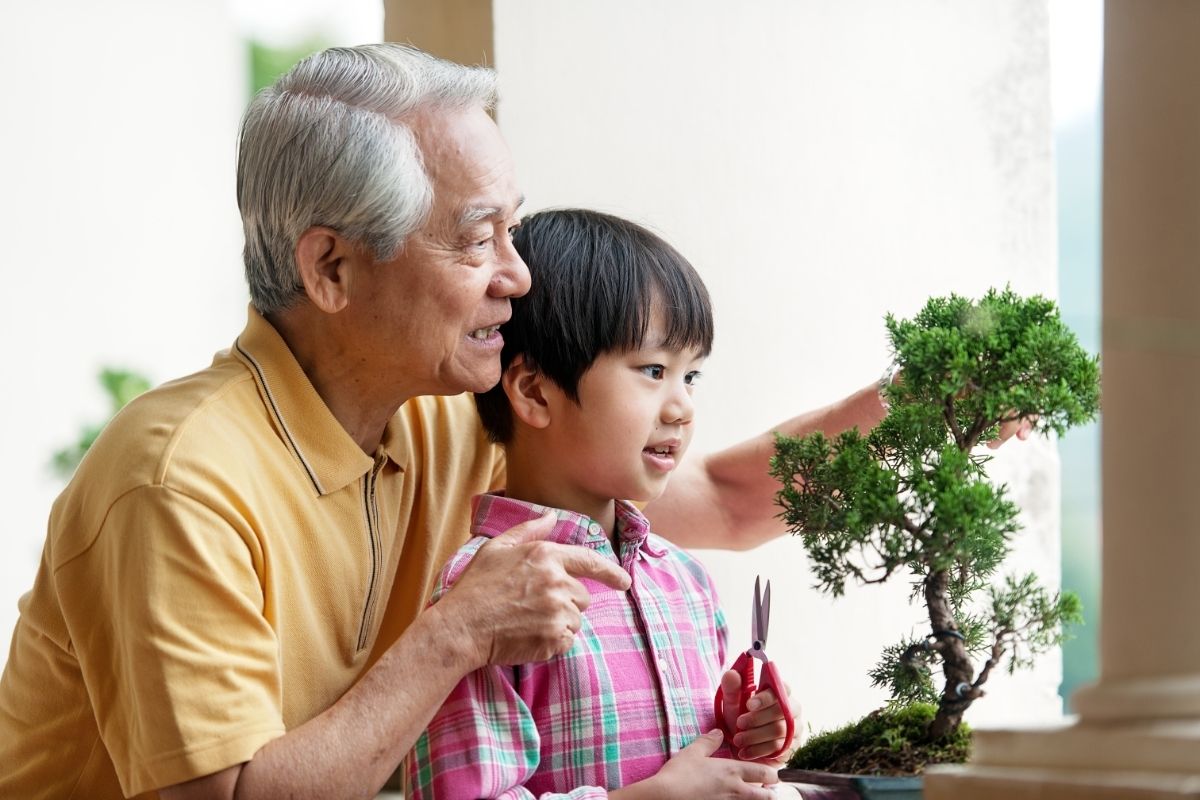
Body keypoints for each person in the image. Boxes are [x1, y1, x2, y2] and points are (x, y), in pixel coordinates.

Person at [0, 43, 1029, 800]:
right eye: (475, 236)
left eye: (512, 224)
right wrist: (453, 633)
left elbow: (714, 493)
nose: (518, 273)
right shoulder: (178, 478)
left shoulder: (439, 416)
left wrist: (915, 415)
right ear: (332, 268)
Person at [409, 209, 791, 799]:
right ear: (536, 391)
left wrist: (741, 733)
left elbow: (702, 772)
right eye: (654, 370)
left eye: (692, 377)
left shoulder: (685, 581)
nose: (682, 407)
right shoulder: (484, 594)